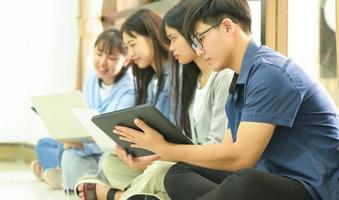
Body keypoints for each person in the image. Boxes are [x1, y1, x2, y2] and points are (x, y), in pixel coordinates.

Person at [114, 0, 339, 200]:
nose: (199, 51)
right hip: (273, 177)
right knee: (178, 172)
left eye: (200, 39)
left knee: (245, 181)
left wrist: (166, 149)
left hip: (315, 187)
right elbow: (226, 149)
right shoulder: (239, 82)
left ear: (227, 27)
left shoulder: (271, 73)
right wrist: (165, 151)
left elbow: (242, 157)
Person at [76, 9, 174, 200]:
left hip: (169, 158)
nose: (129, 54)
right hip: (151, 156)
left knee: (160, 171)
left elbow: (177, 138)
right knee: (111, 162)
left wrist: (155, 157)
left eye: (132, 45)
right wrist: (128, 150)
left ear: (151, 37)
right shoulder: (149, 80)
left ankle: (117, 196)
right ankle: (150, 193)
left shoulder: (176, 78)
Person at [31, 28, 135, 194]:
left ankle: (54, 170)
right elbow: (84, 114)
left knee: (71, 152)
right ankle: (57, 170)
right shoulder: (91, 77)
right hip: (85, 140)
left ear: (126, 60)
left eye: (111, 57)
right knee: (44, 144)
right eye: (99, 53)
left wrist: (81, 144)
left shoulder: (129, 90)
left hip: (105, 148)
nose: (102, 62)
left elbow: (112, 137)